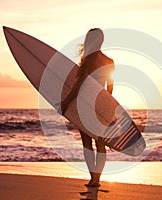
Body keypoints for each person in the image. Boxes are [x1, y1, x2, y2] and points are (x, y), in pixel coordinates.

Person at [59, 28, 114, 187]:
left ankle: (93, 178)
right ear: (101, 40)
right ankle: (97, 178)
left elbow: (79, 84)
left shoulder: (88, 60)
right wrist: (109, 106)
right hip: (102, 105)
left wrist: (67, 102)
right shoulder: (109, 61)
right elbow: (110, 87)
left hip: (85, 105)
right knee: (100, 143)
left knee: (87, 143)